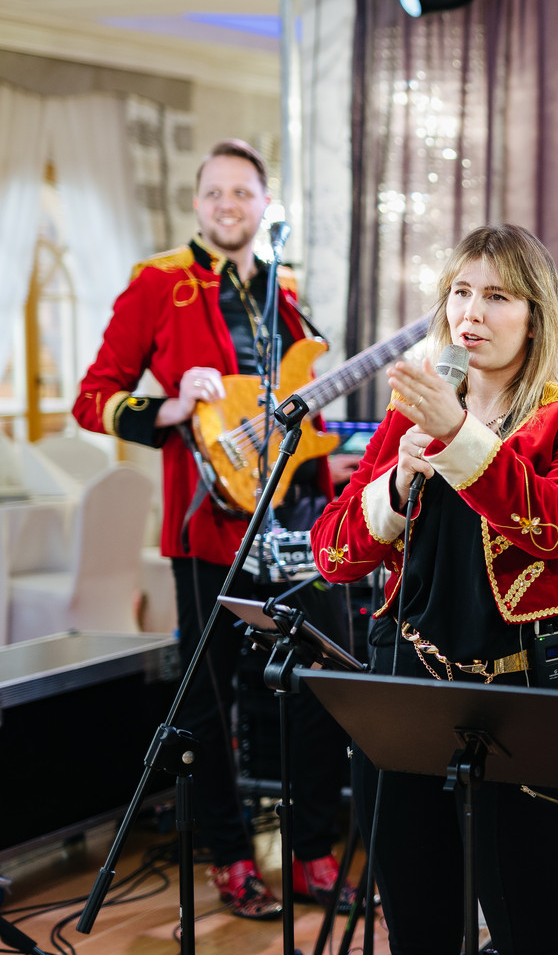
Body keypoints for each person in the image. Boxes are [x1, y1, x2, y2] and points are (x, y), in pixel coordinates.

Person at [310, 223, 558, 953]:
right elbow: (333, 555)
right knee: (418, 924)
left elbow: (555, 527)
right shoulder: (409, 416)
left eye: (497, 296)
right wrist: (397, 482)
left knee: (527, 929)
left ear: (535, 317)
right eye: (459, 292)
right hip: (402, 690)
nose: (470, 314)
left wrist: (457, 435)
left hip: (518, 695)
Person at [75, 139, 352, 919]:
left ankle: (311, 853)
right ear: (197, 204)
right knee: (205, 702)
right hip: (207, 529)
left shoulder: (284, 290)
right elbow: (93, 398)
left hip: (297, 522)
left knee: (327, 681)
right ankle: (230, 859)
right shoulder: (159, 283)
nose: (229, 205)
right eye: (215, 192)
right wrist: (170, 406)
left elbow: (297, 407)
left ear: (265, 204)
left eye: (243, 192)